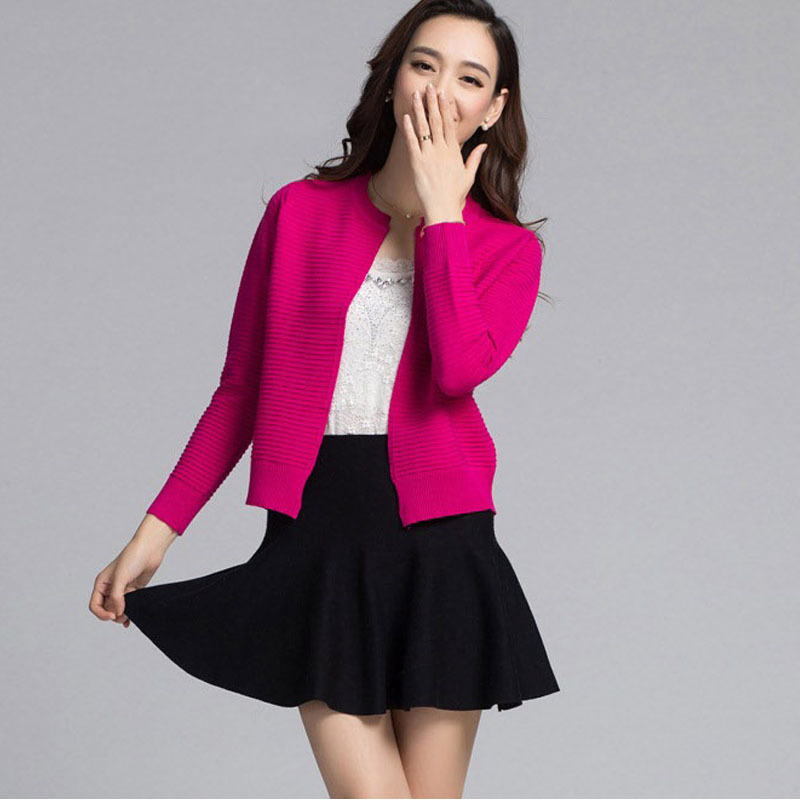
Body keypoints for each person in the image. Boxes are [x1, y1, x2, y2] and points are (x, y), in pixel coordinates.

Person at [89, 2, 560, 796]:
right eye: (424, 64)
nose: (440, 90)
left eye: (469, 78)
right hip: (319, 541)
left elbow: (456, 371)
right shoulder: (299, 212)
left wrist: (444, 217)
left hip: (443, 552)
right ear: (392, 77)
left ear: (493, 108)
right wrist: (155, 533)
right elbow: (241, 391)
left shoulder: (507, 249)